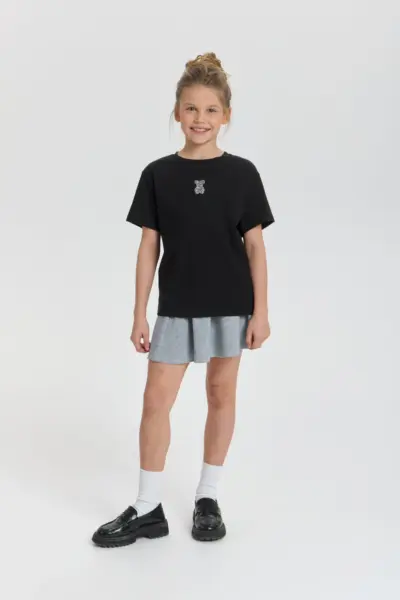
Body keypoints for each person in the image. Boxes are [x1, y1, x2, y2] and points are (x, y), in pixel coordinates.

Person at [91, 52, 275, 547]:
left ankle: (208, 496)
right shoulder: (158, 174)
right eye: (191, 108)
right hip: (175, 306)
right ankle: (147, 505)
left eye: (211, 109)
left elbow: (255, 247)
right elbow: (148, 246)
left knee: (221, 394)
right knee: (156, 400)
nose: (200, 118)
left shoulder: (242, 174)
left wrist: (261, 312)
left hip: (230, 303)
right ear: (176, 112)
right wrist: (139, 313)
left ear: (226, 115)